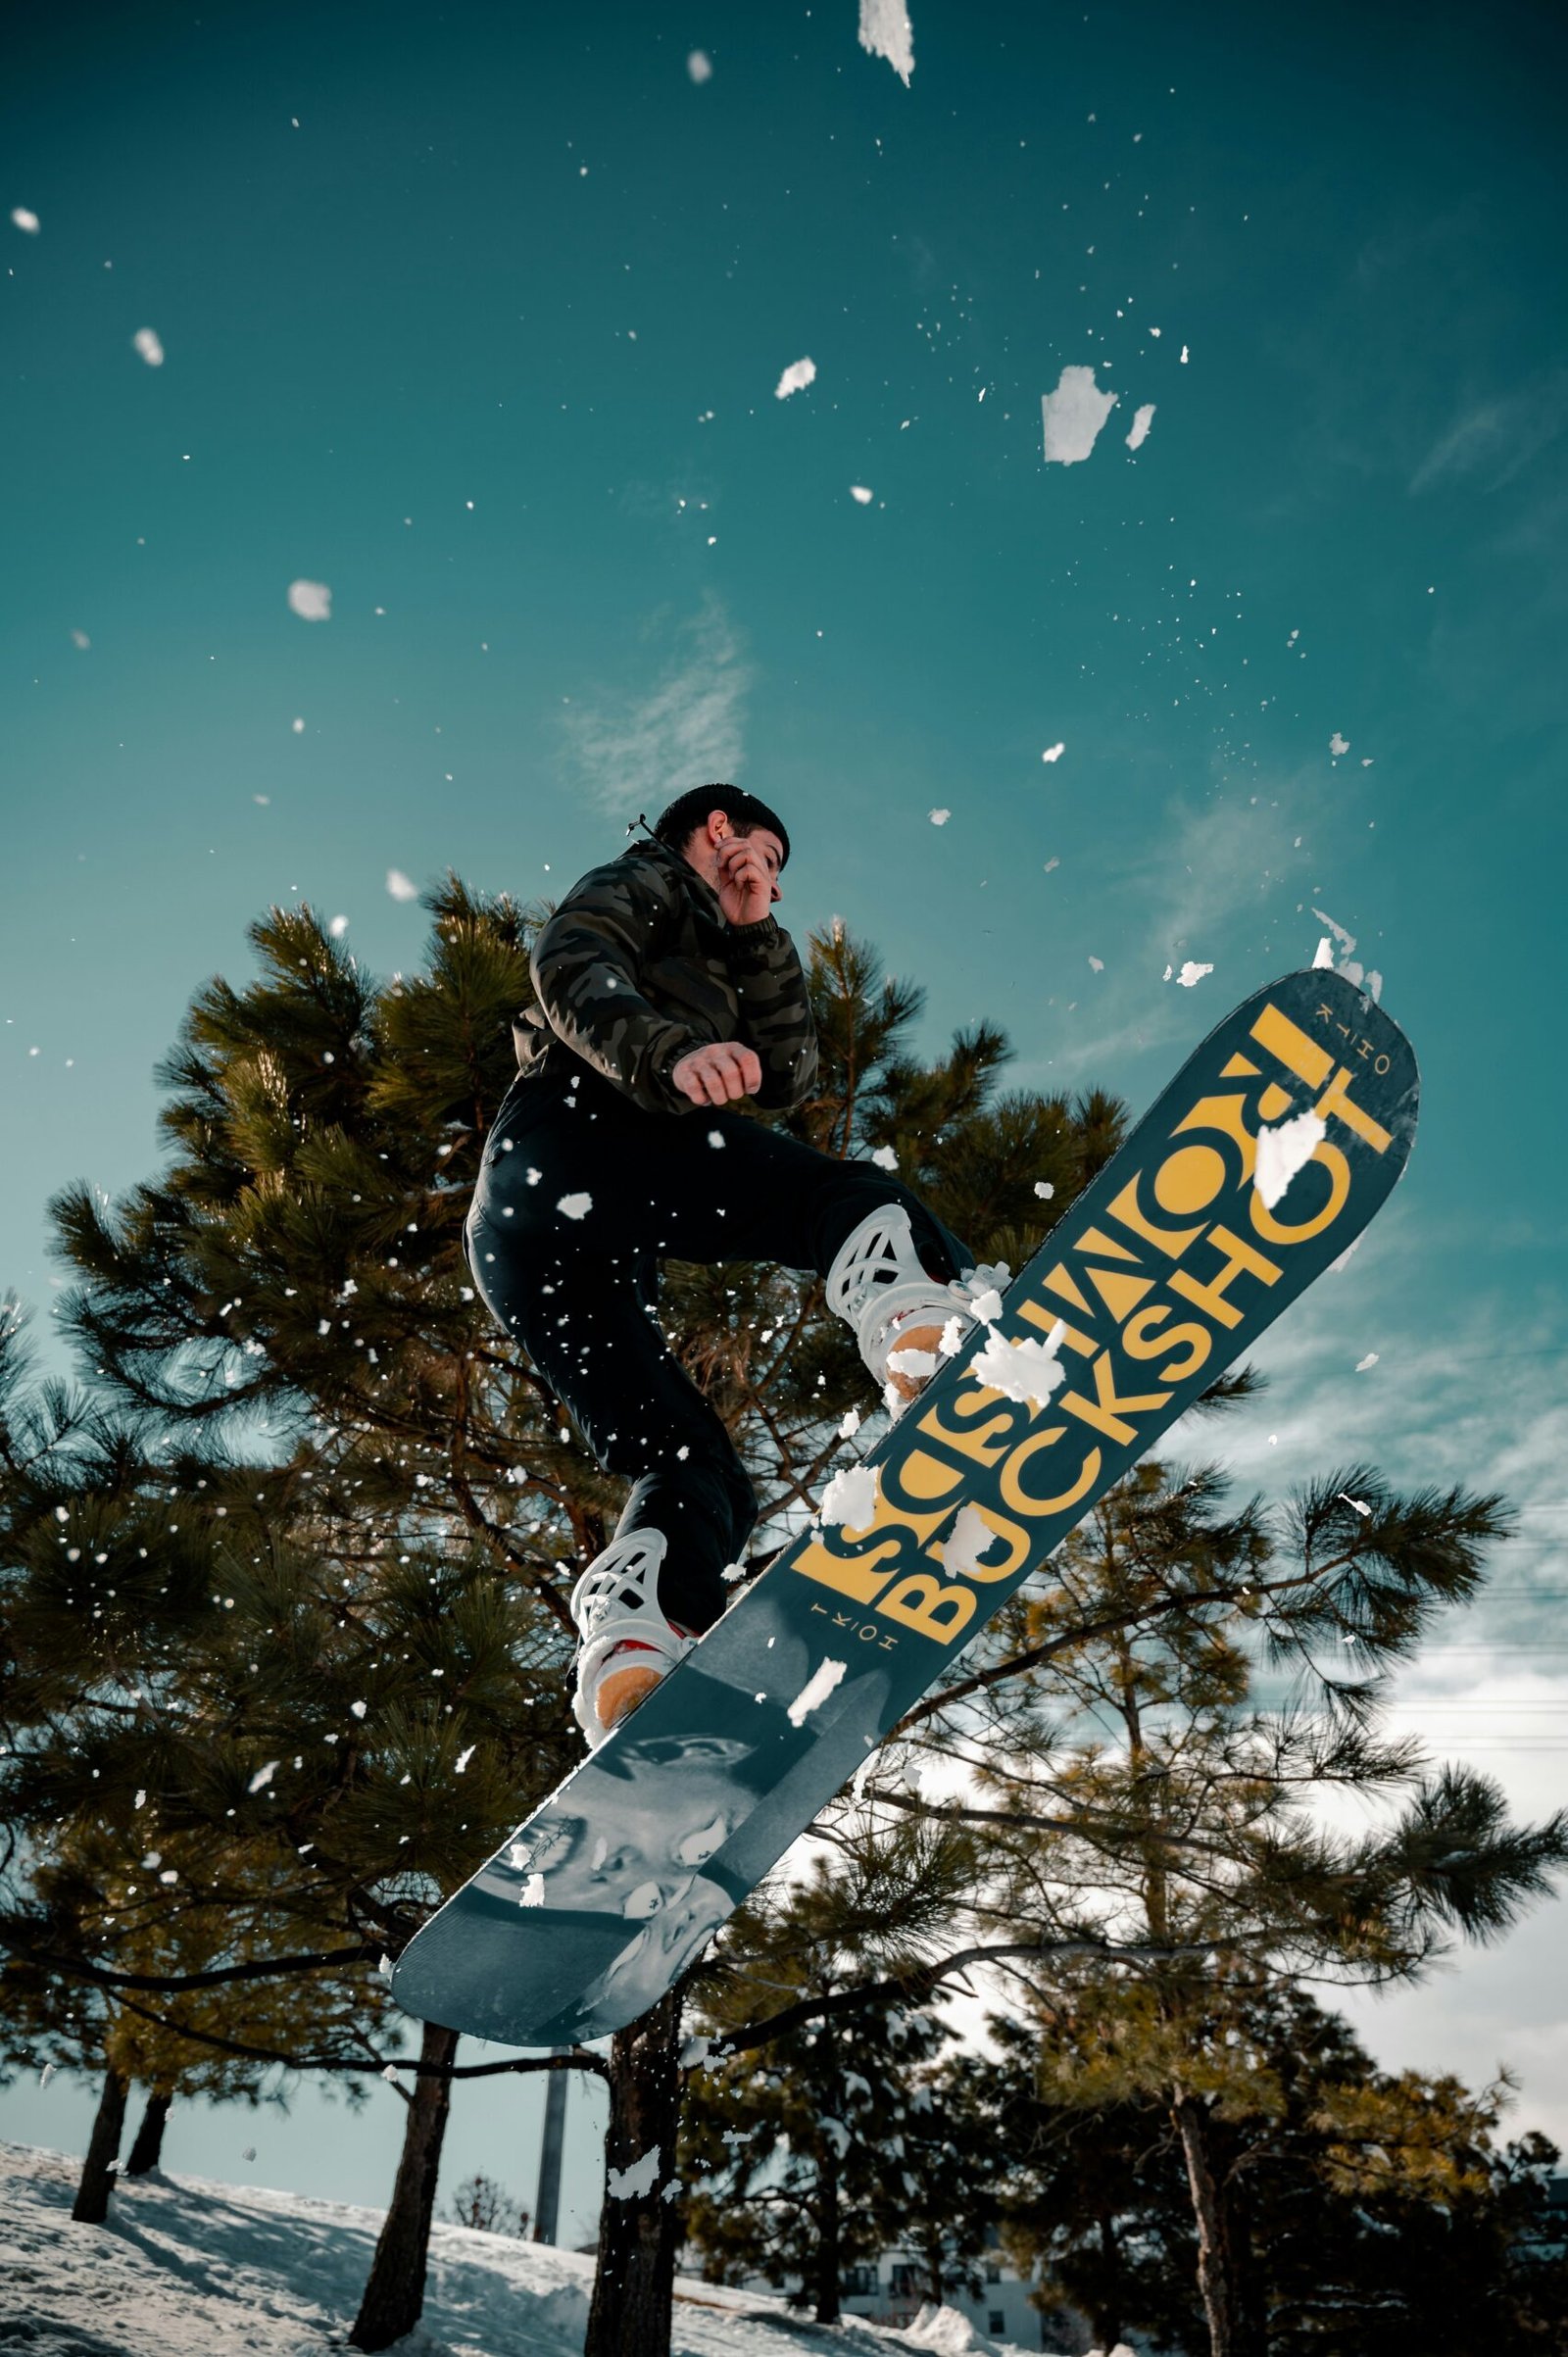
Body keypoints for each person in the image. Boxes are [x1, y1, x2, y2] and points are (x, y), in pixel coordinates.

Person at [466, 783, 989, 1747]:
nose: (773, 883)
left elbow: (789, 1077)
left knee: (694, 1470)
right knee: (850, 1203)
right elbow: (571, 956)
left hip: (542, 1240)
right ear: (717, 832)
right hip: (576, 1128)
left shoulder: (737, 939)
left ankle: (633, 1645)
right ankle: (937, 1341)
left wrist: (755, 934)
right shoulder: (652, 881)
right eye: (766, 859)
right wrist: (665, 1054)